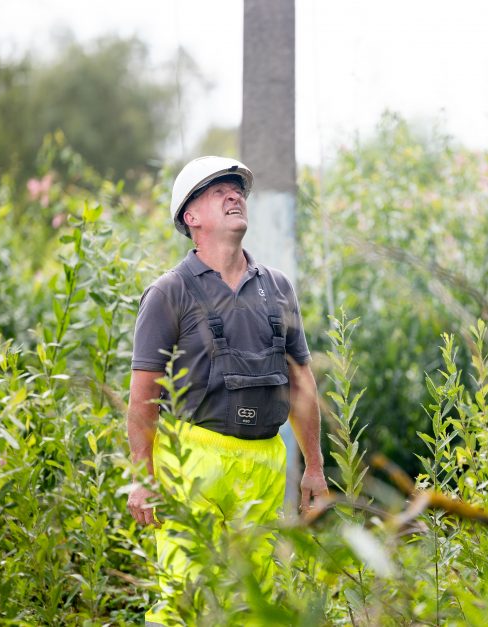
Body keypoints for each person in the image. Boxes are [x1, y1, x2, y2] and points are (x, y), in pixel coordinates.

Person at [125, 156, 328, 625]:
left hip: (264, 464)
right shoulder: (169, 293)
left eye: (237, 188)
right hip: (192, 463)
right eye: (218, 189)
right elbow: (142, 399)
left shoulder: (277, 288)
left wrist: (314, 466)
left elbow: (301, 382)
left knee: (251, 603)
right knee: (185, 600)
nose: (234, 194)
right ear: (190, 217)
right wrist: (143, 476)